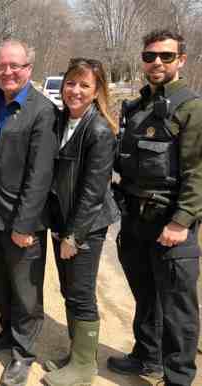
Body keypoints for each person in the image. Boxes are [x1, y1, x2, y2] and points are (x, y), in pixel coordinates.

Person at [110, 28, 202, 386]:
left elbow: (197, 172)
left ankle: (178, 376)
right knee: (145, 295)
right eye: (150, 57)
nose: (157, 63)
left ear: (181, 59)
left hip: (170, 223)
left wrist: (181, 222)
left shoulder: (191, 107)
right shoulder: (138, 106)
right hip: (136, 220)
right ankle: (147, 357)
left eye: (166, 56)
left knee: (178, 307)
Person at [0, 39, 57, 386]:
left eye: (15, 66)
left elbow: (40, 177)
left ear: (29, 69)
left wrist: (25, 224)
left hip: (22, 220)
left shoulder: (43, 111)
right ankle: (7, 333)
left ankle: (23, 353)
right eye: (2, 66)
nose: (7, 72)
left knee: (26, 292)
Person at [42, 58, 120, 386]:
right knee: (69, 288)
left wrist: (74, 236)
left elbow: (92, 191)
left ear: (96, 91)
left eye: (84, 85)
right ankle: (76, 354)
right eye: (71, 83)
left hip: (84, 225)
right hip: (62, 221)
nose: (75, 91)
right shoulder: (61, 121)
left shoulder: (99, 130)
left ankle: (85, 366)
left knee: (81, 292)